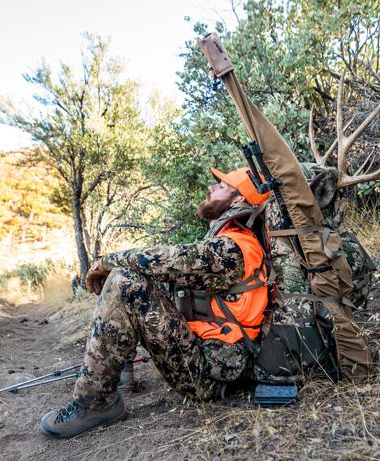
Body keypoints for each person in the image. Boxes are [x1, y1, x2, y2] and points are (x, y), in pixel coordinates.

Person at [40, 166, 271, 438]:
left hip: (209, 374)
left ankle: (94, 403)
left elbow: (160, 258)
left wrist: (105, 262)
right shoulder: (228, 243)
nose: (211, 188)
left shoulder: (233, 248)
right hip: (210, 359)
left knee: (125, 281)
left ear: (237, 200)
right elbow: (163, 272)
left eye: (221, 186)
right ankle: (119, 369)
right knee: (146, 282)